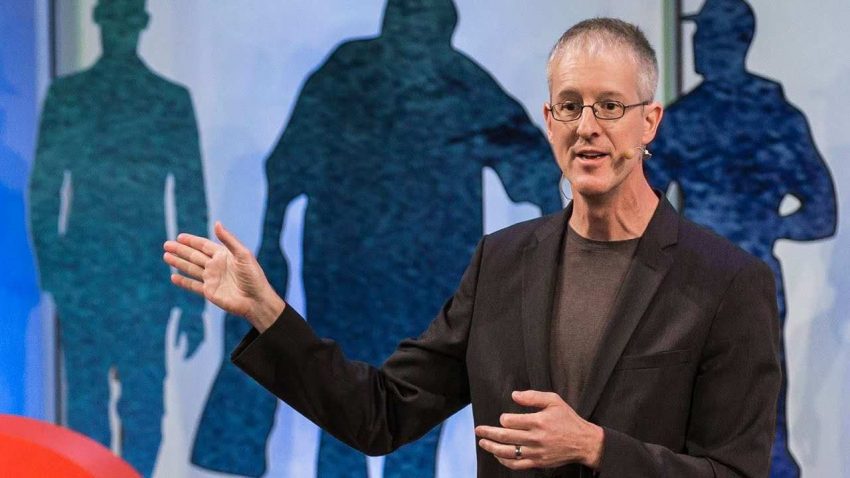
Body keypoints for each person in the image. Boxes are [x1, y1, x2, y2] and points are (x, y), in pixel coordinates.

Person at [164, 18, 781, 477]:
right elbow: (380, 415)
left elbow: (737, 473)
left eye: (610, 106)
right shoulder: (502, 264)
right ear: (549, 120)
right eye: (570, 107)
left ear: (650, 121)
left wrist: (596, 447)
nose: (587, 126)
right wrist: (268, 313)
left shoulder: (726, 283)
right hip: (353, 284)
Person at [190, 0, 560, 476]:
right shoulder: (404, 75)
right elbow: (287, 166)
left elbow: (535, 173)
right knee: (348, 414)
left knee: (398, 423)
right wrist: (270, 242)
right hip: (364, 283)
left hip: (412, 291)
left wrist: (547, 259)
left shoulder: (453, 82)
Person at [648, 2, 837, 476]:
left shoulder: (686, 119)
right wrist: (767, 227)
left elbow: (638, 209)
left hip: (696, 289)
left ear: (730, 42)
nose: (696, 44)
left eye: (704, 35)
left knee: (708, 425)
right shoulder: (778, 117)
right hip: (744, 281)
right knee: (759, 425)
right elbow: (819, 214)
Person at [30, 0, 208, 474]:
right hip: (97, 275)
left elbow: (190, 199)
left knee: (138, 408)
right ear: (101, 21)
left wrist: (194, 299)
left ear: (140, 23)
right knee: (94, 407)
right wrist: (55, 271)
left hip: (134, 277)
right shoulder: (75, 97)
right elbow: (45, 192)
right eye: (116, 17)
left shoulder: (164, 100)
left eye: (127, 18)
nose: (121, 28)